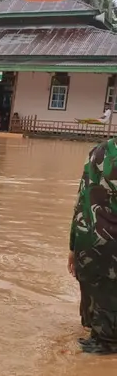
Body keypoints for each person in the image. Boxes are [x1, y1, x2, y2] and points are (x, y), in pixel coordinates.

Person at [69, 141, 117, 354]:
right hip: (106, 239)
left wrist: (72, 245)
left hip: (87, 235)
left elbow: (81, 199)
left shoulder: (98, 151)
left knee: (95, 289)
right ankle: (104, 341)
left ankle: (99, 338)